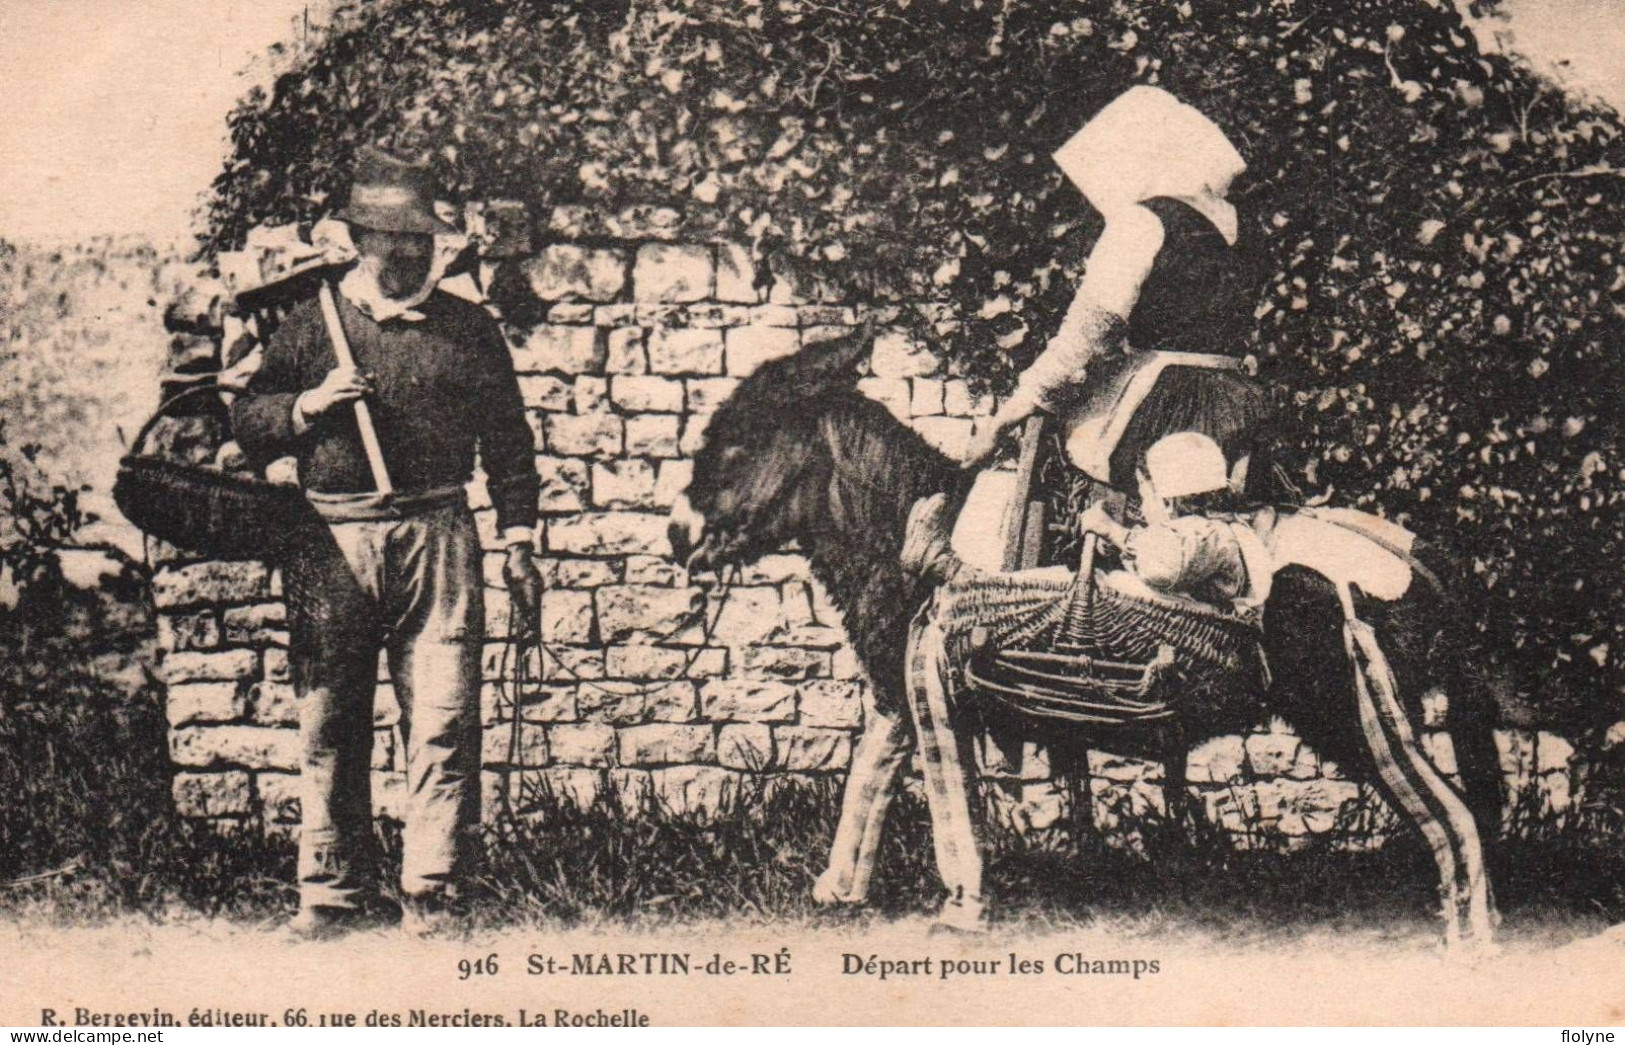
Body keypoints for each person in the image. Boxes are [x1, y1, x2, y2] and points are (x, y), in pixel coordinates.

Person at [231, 146, 543, 937]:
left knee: (442, 716)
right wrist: (308, 404)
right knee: (331, 719)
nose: (405, 253)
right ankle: (333, 893)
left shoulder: (468, 329)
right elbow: (247, 421)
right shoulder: (312, 326)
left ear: (438, 244)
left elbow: (508, 442)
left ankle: (432, 890)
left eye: (419, 240)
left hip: (439, 536)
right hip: (331, 542)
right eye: (388, 238)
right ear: (357, 239)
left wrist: (519, 537)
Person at [961, 87, 1276, 508]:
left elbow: (1090, 331)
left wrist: (1011, 412)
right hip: (1237, 401)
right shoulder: (1241, 226)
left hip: (1164, 403)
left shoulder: (1143, 222)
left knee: (1068, 457)